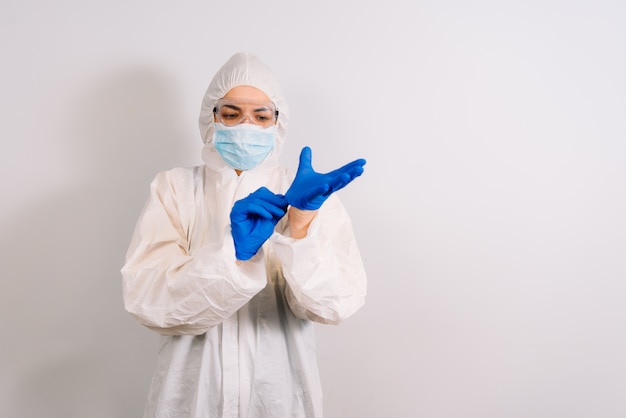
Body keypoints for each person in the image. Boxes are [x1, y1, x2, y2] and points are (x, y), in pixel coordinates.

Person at [121, 51, 367, 418]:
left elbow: (334, 305)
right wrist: (232, 257)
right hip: (192, 397)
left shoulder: (304, 194)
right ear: (210, 118)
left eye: (261, 115)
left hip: (280, 394)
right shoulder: (174, 189)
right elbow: (149, 301)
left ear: (277, 123)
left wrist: (300, 227)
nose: (245, 126)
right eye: (231, 114)